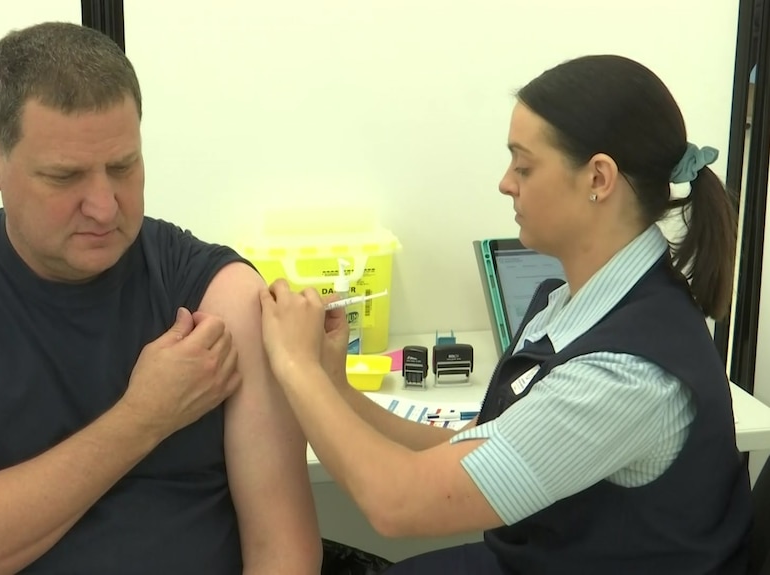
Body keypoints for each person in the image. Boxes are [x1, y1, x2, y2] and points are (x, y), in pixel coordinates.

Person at [258, 54, 752, 574]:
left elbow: (397, 503)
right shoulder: (572, 307)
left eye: (524, 165)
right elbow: (473, 452)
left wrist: (295, 365)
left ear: (599, 179)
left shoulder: (624, 375)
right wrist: (336, 386)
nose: (505, 183)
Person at [0, 22, 321, 575]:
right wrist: (143, 418)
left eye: (123, 167)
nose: (104, 207)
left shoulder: (215, 292)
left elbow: (283, 553)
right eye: (65, 176)